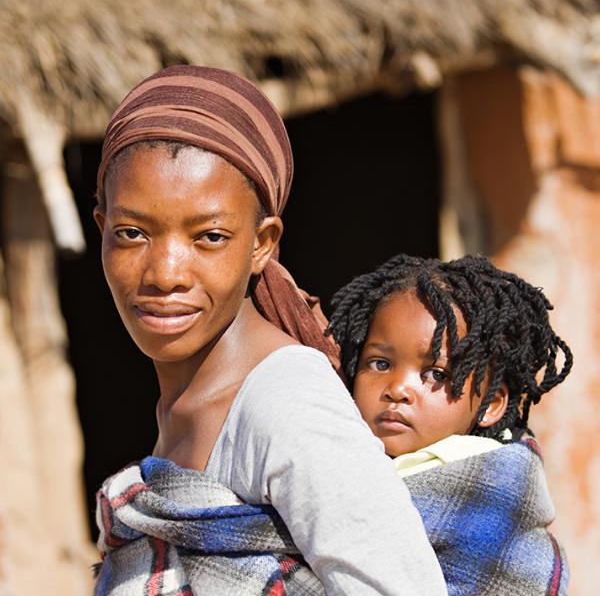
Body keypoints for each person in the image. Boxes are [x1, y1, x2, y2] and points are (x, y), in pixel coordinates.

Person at [92, 65, 447, 595]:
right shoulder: (187, 401)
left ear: (262, 243)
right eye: (132, 233)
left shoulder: (285, 402)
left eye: (209, 236)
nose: (165, 273)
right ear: (100, 228)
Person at [328, 253, 573, 596]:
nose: (398, 389)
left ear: (491, 405)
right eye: (380, 363)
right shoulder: (330, 458)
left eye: (436, 374)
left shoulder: (493, 486)